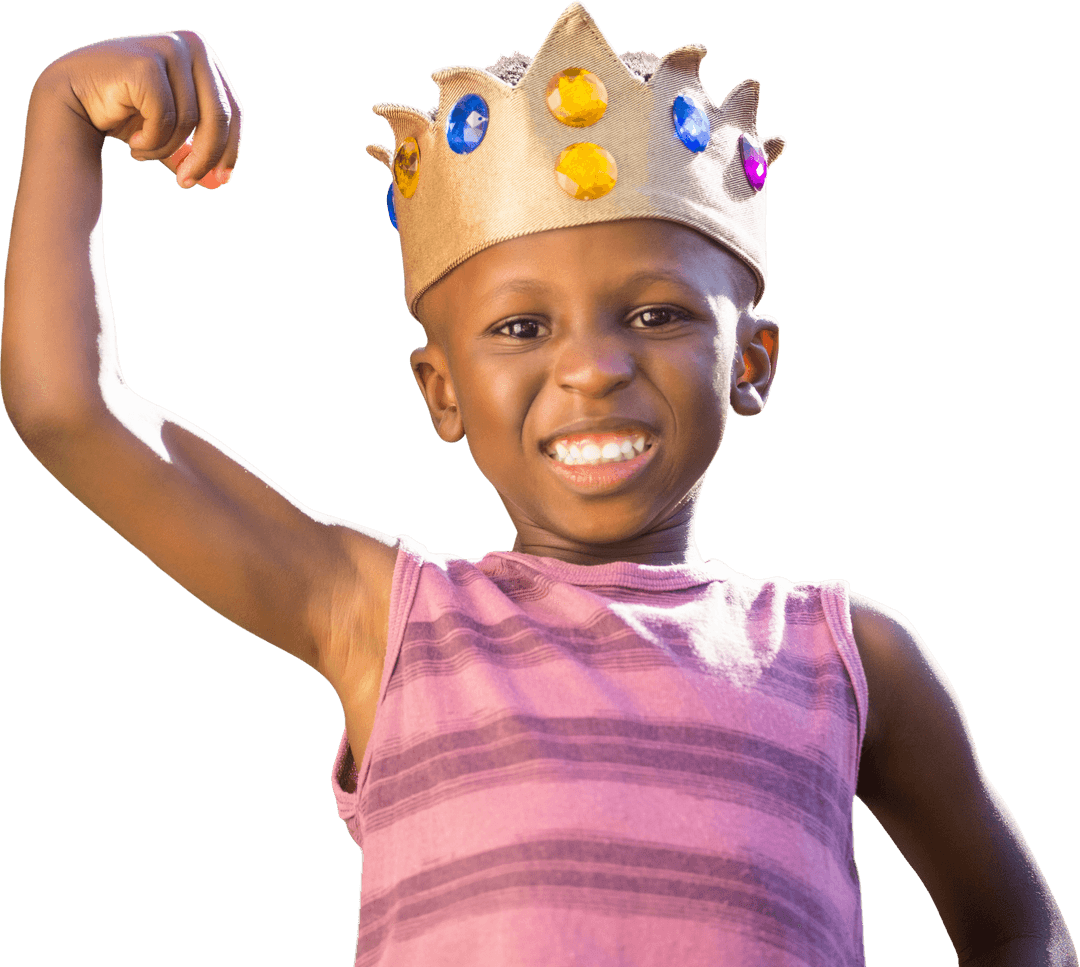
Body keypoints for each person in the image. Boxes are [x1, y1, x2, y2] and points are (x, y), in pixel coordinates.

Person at [2, 3, 1074, 965]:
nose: (594, 366)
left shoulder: (849, 655)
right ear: (442, 389)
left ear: (750, 363)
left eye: (656, 314)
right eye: (521, 327)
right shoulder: (389, 621)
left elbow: (1020, 928)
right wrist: (61, 114)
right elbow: (70, 410)